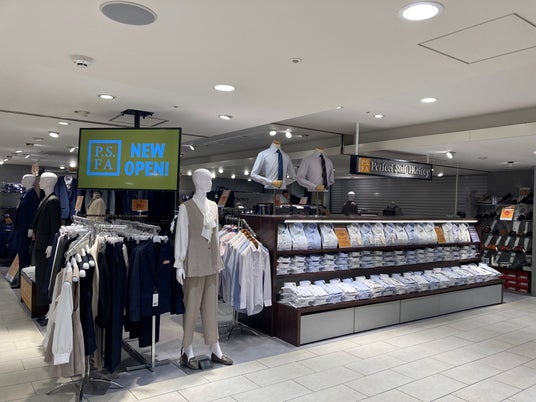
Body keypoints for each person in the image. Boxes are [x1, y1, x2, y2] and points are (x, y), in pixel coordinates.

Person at [174, 168, 233, 369]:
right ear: (198, 181)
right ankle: (187, 349)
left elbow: (215, 235)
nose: (211, 182)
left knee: (211, 308)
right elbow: (181, 236)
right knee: (191, 308)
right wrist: (179, 263)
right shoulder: (186, 208)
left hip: (211, 263)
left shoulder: (214, 206)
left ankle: (215, 347)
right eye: (208, 179)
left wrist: (218, 258)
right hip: (194, 263)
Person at [30, 172, 61, 324]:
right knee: (41, 278)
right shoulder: (45, 199)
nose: (39, 182)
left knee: (45, 279)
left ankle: (49, 312)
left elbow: (55, 225)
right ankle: (44, 311)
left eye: (41, 180)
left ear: (49, 182)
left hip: (45, 248)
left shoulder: (53, 201)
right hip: (40, 245)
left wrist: (51, 244)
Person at [10, 174, 41, 289]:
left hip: (25, 231)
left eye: (24, 179)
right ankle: (21, 279)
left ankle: (23, 281)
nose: (22, 180)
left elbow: (33, 214)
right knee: (21, 255)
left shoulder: (32, 196)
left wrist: (31, 228)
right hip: (21, 230)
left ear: (30, 181)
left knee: (24, 256)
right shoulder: (26, 194)